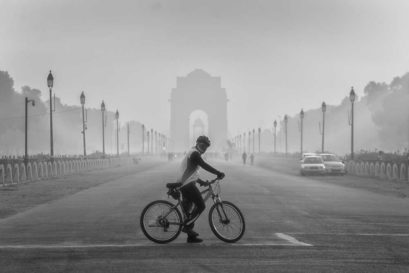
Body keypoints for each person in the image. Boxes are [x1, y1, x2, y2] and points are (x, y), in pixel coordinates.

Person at [178, 135, 225, 243]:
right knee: (201, 205)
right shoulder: (194, 154)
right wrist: (218, 173)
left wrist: (201, 182)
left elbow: (191, 172)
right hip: (187, 184)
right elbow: (204, 165)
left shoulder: (193, 152)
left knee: (189, 212)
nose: (204, 148)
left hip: (186, 183)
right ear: (197, 143)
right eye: (202, 145)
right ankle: (186, 227)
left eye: (206, 147)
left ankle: (191, 237)